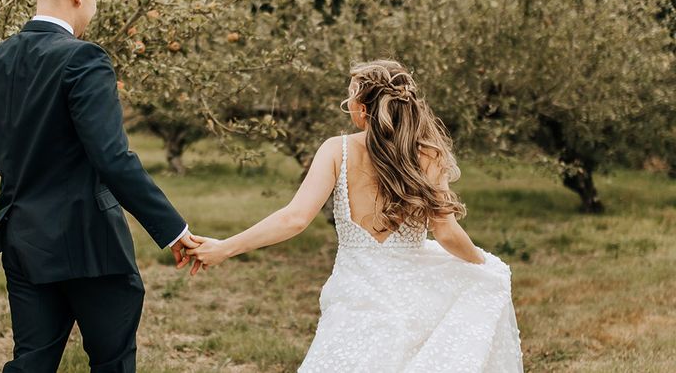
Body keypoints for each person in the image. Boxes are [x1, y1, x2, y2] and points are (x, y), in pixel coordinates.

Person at [188, 59, 523, 372]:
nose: (346, 104)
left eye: (349, 96)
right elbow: (447, 233)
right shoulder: (428, 155)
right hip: (413, 294)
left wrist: (225, 248)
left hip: (355, 294)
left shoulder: (337, 150)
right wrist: (482, 264)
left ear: (362, 110)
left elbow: (294, 219)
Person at [0, 0, 198, 372]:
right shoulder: (84, 59)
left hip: (23, 237)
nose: (92, 8)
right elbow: (112, 158)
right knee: (112, 363)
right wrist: (172, 229)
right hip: (91, 245)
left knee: (31, 362)